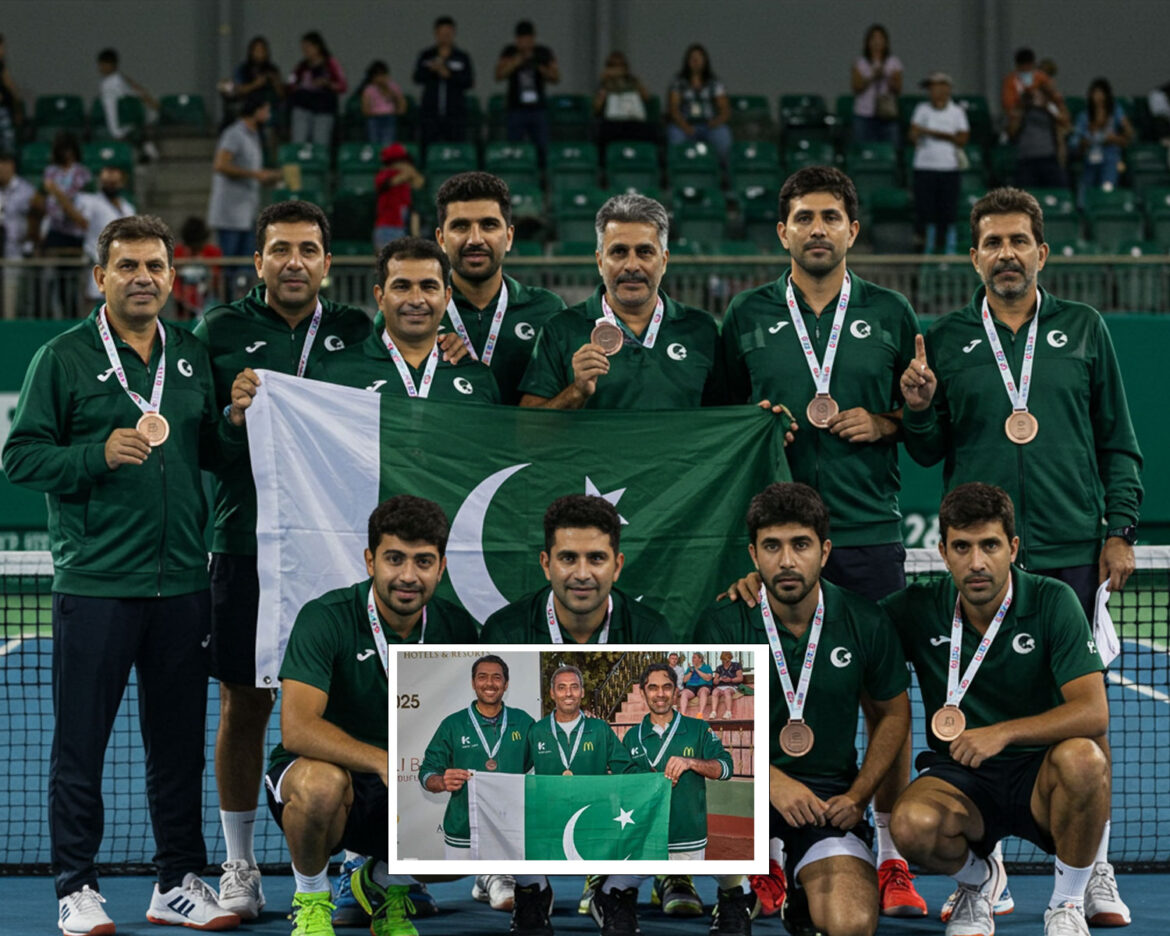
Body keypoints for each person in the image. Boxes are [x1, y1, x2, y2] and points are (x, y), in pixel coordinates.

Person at [899, 187, 1140, 926]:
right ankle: (987, 867)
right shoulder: (944, 338)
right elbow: (928, 450)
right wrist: (918, 409)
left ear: (1041, 251)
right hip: (987, 552)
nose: (1006, 253)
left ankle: (1093, 871)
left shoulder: (1085, 327)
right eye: (993, 242)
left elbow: (1117, 438)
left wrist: (1120, 528)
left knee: (1087, 723)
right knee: (977, 696)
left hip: (1070, 546)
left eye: (1018, 241)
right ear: (973, 257)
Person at [3, 215, 250, 935]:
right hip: (97, 585)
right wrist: (95, 454)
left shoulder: (191, 354)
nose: (143, 277)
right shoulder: (62, 357)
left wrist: (234, 424)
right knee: (80, 746)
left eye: (155, 266)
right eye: (128, 266)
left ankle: (177, 882)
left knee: (178, 747)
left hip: (184, 585)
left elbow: (210, 452)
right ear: (100, 277)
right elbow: (19, 458)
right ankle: (76, 887)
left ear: (173, 276)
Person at [194, 199, 373, 921]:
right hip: (248, 545)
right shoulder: (218, 331)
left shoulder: (360, 331)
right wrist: (233, 416)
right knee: (245, 702)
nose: (293, 262)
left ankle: (362, 852)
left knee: (358, 701)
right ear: (258, 260)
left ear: (328, 262)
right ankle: (239, 863)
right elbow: (202, 447)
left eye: (307, 250)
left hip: (339, 547)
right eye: (279, 249)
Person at [882, 483, 1112, 936]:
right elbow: (840, 620)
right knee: (910, 826)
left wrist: (1003, 732)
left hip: (1041, 774)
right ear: (943, 552)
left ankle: (1066, 905)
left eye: (989, 545)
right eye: (962, 547)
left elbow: (1093, 712)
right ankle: (979, 883)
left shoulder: (1052, 600)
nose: (977, 562)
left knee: (1086, 758)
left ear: (1013, 547)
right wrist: (759, 585)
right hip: (962, 778)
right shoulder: (917, 607)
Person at [695, 482, 911, 936]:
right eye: (772, 546)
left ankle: (796, 883)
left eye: (801, 545)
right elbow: (703, 727)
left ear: (824, 551)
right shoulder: (723, 624)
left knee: (852, 925)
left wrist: (858, 796)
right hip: (740, 793)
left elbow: (893, 715)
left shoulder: (865, 621)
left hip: (826, 804)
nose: (787, 561)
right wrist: (772, 782)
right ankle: (739, 885)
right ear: (754, 554)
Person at [265, 495, 478, 936]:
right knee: (321, 786)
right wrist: (381, 760)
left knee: (478, 825)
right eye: (394, 559)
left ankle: (381, 880)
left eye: (423, 561)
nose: (408, 576)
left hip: (408, 786)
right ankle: (311, 899)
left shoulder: (456, 628)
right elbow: (297, 728)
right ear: (370, 561)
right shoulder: (326, 618)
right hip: (331, 778)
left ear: (441, 568)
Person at [519, 193, 727, 410]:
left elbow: (728, 419)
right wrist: (576, 392)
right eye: (619, 252)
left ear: (664, 261)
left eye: (644, 252)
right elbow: (529, 425)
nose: (632, 265)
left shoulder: (704, 329)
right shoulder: (560, 329)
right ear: (600, 262)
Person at [620, 663, 753, 935]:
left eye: (666, 687)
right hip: (644, 835)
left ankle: (728, 901)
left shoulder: (697, 728)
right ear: (643, 693)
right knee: (619, 888)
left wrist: (691, 763)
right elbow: (624, 782)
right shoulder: (632, 736)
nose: (660, 694)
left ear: (676, 691)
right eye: (653, 688)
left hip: (687, 834)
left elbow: (725, 768)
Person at [511, 664, 636, 936]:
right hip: (549, 820)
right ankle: (537, 891)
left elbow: (626, 768)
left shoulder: (599, 729)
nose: (568, 693)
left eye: (574, 687)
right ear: (552, 694)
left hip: (592, 818)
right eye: (561, 687)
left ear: (582, 692)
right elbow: (513, 772)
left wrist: (658, 780)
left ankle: (604, 892)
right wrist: (480, 779)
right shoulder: (537, 731)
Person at [312, 236, 500, 402]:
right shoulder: (334, 374)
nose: (416, 300)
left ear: (446, 297)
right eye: (402, 287)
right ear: (380, 297)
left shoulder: (478, 378)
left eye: (429, 287)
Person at [434, 171, 566, 404]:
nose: (475, 239)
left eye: (489, 225)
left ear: (509, 237)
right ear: (441, 239)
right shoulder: (416, 312)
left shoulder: (548, 311)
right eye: (461, 226)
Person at [419, 655, 535, 912]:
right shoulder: (453, 724)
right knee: (453, 877)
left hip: (508, 825)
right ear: (473, 683)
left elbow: (532, 763)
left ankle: (490, 879)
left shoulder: (524, 721)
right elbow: (427, 771)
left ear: (506, 684)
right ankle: (485, 879)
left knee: (517, 893)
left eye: (497, 677)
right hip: (463, 826)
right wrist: (441, 781)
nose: (489, 683)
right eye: (482, 677)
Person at [479, 494, 669, 644]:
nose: (582, 574)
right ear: (546, 565)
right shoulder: (505, 633)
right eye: (568, 558)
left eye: (596, 558)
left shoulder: (650, 633)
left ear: (617, 567)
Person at [43, 162, 135, 307]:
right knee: (96, 313)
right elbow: (81, 221)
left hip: (123, 268)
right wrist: (59, 195)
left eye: (114, 183)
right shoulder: (91, 201)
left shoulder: (128, 208)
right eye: (107, 182)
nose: (111, 186)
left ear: (122, 182)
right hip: (97, 266)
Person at [207, 93, 283, 262]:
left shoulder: (254, 135)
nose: (269, 116)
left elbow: (252, 171)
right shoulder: (234, 134)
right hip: (229, 213)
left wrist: (268, 176)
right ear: (256, 111)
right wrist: (256, 174)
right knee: (230, 263)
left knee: (246, 265)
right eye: (266, 111)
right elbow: (220, 165)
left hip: (247, 212)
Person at [909, 72, 970, 255]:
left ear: (945, 88)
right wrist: (922, 133)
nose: (932, 91)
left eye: (935, 87)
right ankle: (927, 247)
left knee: (948, 210)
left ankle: (949, 248)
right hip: (924, 167)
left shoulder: (957, 112)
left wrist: (930, 132)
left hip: (949, 168)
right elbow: (913, 134)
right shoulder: (922, 109)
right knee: (925, 211)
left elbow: (962, 138)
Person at [1002, 48, 1070, 189]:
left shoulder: (1049, 101)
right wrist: (1023, 106)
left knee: (1059, 193)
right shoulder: (1014, 95)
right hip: (1025, 159)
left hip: (1049, 157)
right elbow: (1012, 132)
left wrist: (1046, 105)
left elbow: (1065, 121)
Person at [495, 20, 559, 162]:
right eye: (522, 40)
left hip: (538, 108)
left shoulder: (543, 53)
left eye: (528, 39)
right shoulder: (509, 52)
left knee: (542, 146)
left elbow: (556, 77)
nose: (525, 43)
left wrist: (538, 66)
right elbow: (499, 75)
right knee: (514, 147)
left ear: (533, 39)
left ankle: (542, 173)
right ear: (517, 40)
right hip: (516, 108)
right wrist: (516, 61)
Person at [413, 15, 475, 148]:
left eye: (448, 33)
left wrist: (448, 75)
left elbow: (469, 82)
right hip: (430, 115)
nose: (445, 37)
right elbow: (417, 78)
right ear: (436, 34)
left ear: (453, 33)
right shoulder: (426, 55)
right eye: (442, 33)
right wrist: (432, 71)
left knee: (455, 149)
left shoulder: (462, 57)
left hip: (455, 115)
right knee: (429, 148)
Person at [1071, 77, 1133, 207]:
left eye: (1101, 93)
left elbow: (1128, 134)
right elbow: (1075, 143)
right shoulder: (1083, 116)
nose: (1098, 97)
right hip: (1089, 160)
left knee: (1107, 189)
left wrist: (1114, 138)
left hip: (1110, 158)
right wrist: (1086, 141)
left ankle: (1107, 211)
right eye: (1096, 93)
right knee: (1085, 194)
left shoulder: (1115, 111)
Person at [666, 43, 732, 163]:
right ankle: (677, 169)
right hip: (685, 124)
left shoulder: (714, 82)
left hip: (709, 125)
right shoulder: (678, 82)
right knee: (674, 135)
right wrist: (684, 125)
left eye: (699, 58)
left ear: (705, 61)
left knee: (723, 135)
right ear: (687, 61)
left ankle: (723, 170)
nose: (696, 61)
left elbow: (725, 109)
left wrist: (715, 122)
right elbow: (673, 108)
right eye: (692, 58)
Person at [288, 31, 346, 146]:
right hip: (303, 107)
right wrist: (297, 86)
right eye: (303, 48)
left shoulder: (331, 64)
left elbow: (343, 86)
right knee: (299, 141)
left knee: (320, 143)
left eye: (308, 47)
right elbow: (291, 81)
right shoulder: (301, 66)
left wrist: (327, 83)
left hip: (323, 109)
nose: (305, 51)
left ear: (317, 47)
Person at [96, 47, 158, 155]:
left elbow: (112, 108)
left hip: (123, 124)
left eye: (103, 64)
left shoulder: (112, 82)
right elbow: (139, 92)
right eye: (100, 65)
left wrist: (115, 132)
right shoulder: (117, 79)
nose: (101, 67)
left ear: (112, 64)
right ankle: (144, 145)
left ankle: (144, 145)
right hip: (125, 124)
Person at [0, 149, 37, 318]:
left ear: (10, 166)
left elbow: (37, 220)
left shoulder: (26, 190)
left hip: (13, 252)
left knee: (11, 302)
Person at [851, 24, 903, 144]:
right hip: (864, 114)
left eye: (880, 38)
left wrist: (886, 76)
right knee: (863, 148)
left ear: (886, 42)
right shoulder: (860, 62)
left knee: (891, 148)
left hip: (887, 114)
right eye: (873, 38)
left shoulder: (893, 62)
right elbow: (856, 87)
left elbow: (898, 89)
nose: (877, 42)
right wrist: (872, 76)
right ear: (867, 42)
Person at [593, 50, 655, 149]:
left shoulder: (633, 81)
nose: (617, 69)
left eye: (620, 65)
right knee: (604, 131)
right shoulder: (604, 84)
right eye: (613, 65)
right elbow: (596, 108)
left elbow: (647, 98)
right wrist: (604, 84)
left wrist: (637, 84)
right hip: (613, 122)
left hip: (633, 121)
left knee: (649, 131)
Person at [172, 216, 224, 320]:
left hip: (207, 299)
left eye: (198, 246)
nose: (195, 250)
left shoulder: (213, 252)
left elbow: (218, 279)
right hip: (183, 301)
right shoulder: (177, 252)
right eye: (192, 247)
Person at [374, 143, 425, 247]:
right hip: (387, 228)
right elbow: (387, 183)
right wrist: (406, 171)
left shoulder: (408, 179)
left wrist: (410, 172)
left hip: (402, 228)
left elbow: (420, 183)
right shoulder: (384, 174)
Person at [361, 60, 407, 147]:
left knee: (388, 143)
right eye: (377, 75)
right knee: (374, 142)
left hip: (389, 118)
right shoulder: (369, 90)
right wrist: (376, 113)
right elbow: (365, 109)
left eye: (383, 75)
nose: (380, 78)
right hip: (374, 119)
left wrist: (387, 90)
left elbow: (401, 104)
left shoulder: (393, 87)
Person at [0, 34, 23, 153]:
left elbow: (11, 86)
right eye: (1, 47)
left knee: (8, 148)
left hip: (5, 111)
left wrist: (17, 108)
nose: (3, 50)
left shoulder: (2, 65)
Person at [677, 651, 714, 718]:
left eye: (694, 657)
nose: (692, 659)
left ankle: (700, 714)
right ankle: (683, 714)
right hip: (691, 687)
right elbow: (684, 680)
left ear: (700, 659)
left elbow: (708, 678)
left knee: (703, 691)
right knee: (684, 693)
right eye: (692, 658)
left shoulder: (707, 667)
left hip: (704, 685)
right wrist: (691, 672)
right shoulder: (689, 669)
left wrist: (696, 670)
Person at [709, 651, 744, 719]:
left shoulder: (736, 665)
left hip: (732, 685)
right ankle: (713, 712)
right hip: (720, 686)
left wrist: (730, 680)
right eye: (723, 661)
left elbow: (740, 678)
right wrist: (720, 679)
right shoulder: (719, 668)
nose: (725, 662)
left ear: (730, 659)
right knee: (715, 692)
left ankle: (728, 712)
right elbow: (715, 682)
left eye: (727, 661)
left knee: (727, 691)